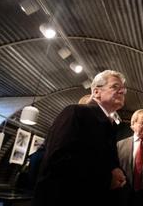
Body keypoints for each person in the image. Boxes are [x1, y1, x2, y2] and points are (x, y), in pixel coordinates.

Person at [32, 70, 127, 206]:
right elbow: (58, 160)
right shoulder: (76, 112)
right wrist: (107, 179)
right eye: (115, 87)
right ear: (96, 92)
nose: (122, 91)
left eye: (123, 89)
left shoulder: (108, 124)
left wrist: (116, 171)